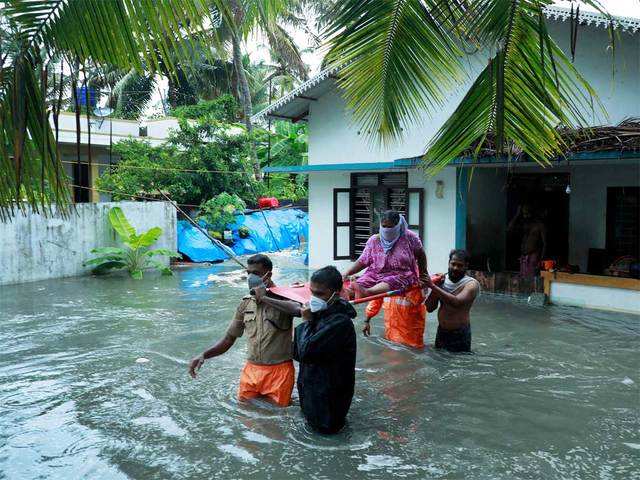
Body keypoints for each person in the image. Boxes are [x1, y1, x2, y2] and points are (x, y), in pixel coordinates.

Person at [188, 254, 298, 407]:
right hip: (251, 370)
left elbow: (298, 310)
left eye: (256, 274)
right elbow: (228, 339)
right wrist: (204, 355)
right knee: (245, 415)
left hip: (279, 372)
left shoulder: (284, 298)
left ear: (268, 275)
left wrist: (265, 298)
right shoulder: (246, 304)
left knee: (276, 420)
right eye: (248, 273)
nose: (251, 277)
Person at [294, 266, 357, 434]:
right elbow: (296, 353)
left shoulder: (340, 323)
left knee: (326, 435)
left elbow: (305, 352)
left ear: (335, 294)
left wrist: (307, 322)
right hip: (311, 390)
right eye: (312, 292)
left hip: (329, 397)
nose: (314, 298)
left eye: (320, 294)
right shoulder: (321, 315)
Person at [342, 210, 428, 297]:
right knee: (359, 284)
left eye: (390, 227)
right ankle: (347, 293)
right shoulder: (374, 240)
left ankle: (368, 292)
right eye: (384, 226)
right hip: (375, 273)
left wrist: (423, 275)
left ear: (398, 225)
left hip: (400, 275)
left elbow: (421, 254)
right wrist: (347, 273)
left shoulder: (410, 237)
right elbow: (363, 261)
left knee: (392, 280)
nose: (386, 230)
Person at [424, 249, 479, 353]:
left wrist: (432, 286)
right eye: (453, 264)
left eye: (460, 265)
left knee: (458, 366)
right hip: (441, 331)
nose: (455, 268)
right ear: (448, 263)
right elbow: (429, 308)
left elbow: (456, 303)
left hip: (460, 334)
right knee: (438, 363)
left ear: (466, 266)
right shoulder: (442, 281)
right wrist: (437, 285)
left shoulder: (471, 284)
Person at [363, 288, 427, 349]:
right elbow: (376, 301)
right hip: (390, 335)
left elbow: (421, 299)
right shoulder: (386, 285)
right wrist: (367, 321)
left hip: (410, 340)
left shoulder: (415, 285)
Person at [508, 204, 547, 277]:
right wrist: (517, 215)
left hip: (534, 257)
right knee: (523, 280)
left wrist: (541, 260)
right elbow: (510, 229)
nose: (526, 216)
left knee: (531, 281)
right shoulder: (524, 224)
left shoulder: (540, 225)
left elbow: (545, 244)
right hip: (523, 257)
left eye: (527, 213)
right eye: (524, 214)